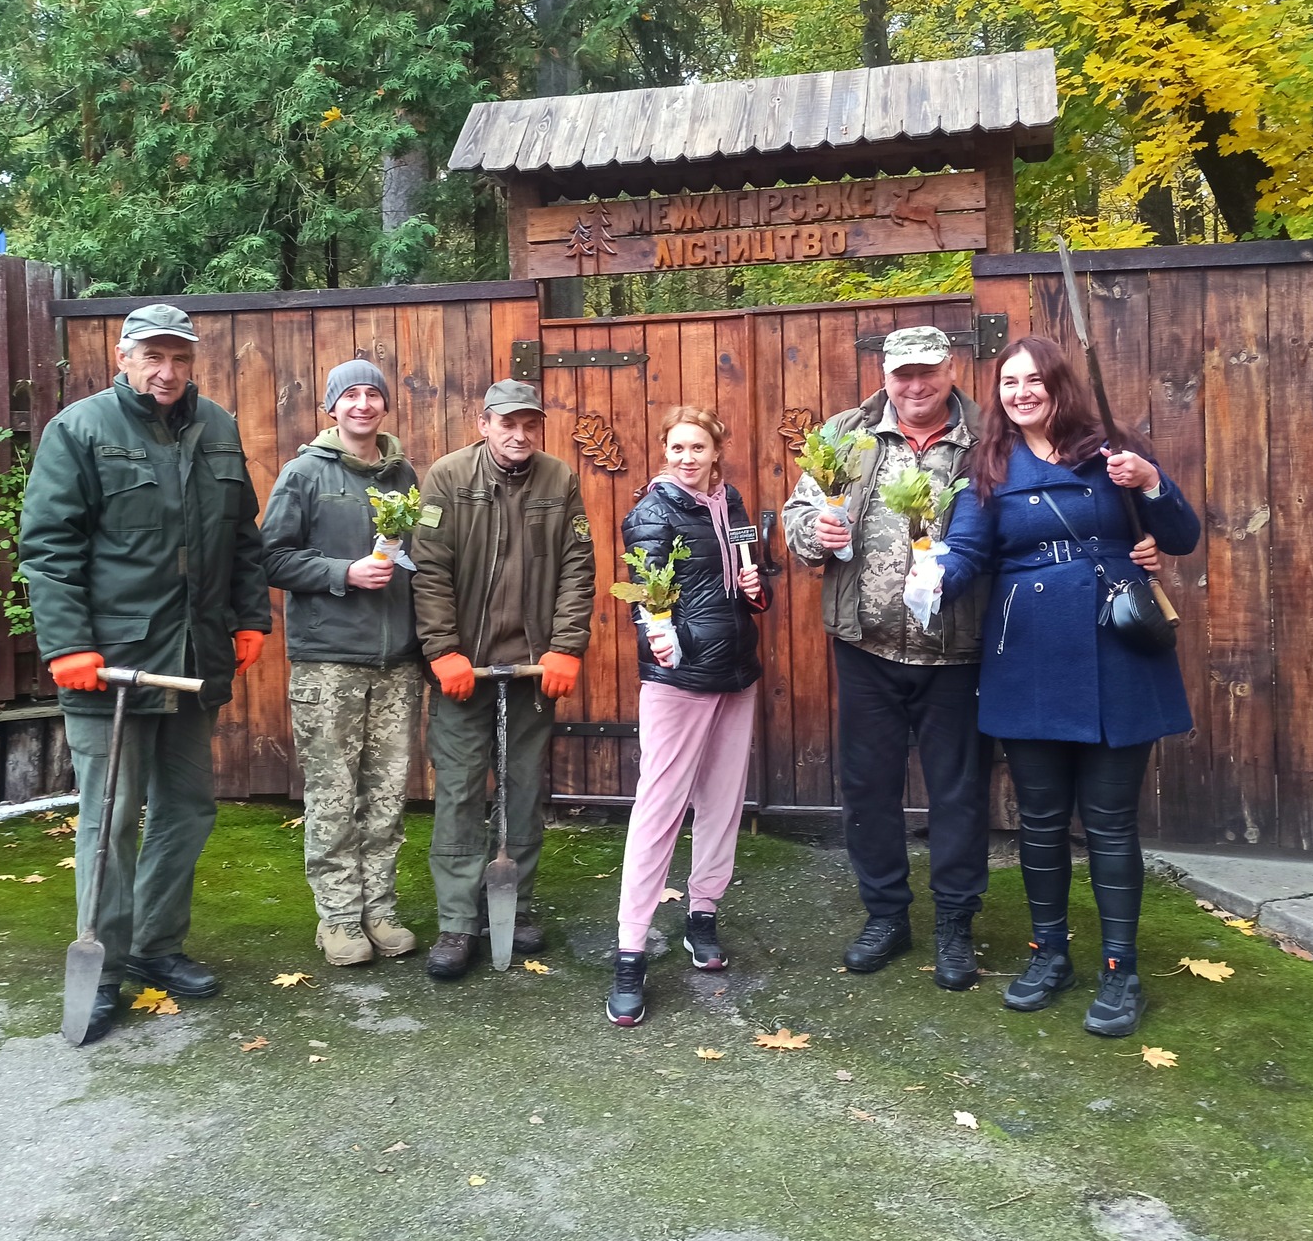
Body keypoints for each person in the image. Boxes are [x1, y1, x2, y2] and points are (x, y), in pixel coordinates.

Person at [20, 302, 271, 1044]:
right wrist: (68, 645)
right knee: (111, 816)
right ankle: (102, 969)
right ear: (123, 357)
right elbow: (49, 548)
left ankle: (156, 946)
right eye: (153, 356)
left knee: (186, 808)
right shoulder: (80, 429)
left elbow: (241, 535)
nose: (167, 371)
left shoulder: (216, 427)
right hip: (112, 664)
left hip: (193, 656)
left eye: (180, 357)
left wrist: (250, 616)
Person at [938, 334, 1200, 1038]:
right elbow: (968, 550)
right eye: (1009, 382)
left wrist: (1150, 481)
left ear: (1060, 384)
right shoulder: (989, 462)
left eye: (1034, 380)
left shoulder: (1111, 448)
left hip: (1117, 650)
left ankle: (1120, 971)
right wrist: (929, 584)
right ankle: (1048, 953)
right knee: (1042, 820)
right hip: (1027, 655)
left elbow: (1179, 537)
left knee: (1110, 822)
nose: (1021, 393)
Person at [780, 325, 992, 991]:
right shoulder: (847, 433)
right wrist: (812, 531)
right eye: (903, 374)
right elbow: (795, 513)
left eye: (928, 371)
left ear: (950, 368)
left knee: (958, 796)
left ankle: (955, 925)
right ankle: (886, 916)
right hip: (865, 647)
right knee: (868, 789)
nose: (915, 385)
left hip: (957, 651)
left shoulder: (989, 439)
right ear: (885, 375)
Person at [412, 380, 597, 981]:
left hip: (531, 669)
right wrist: (442, 650)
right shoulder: (447, 478)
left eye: (529, 424)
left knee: (522, 790)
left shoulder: (558, 479)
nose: (519, 435)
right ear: (484, 424)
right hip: (464, 671)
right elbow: (430, 571)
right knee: (461, 790)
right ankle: (458, 921)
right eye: (507, 424)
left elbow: (577, 569)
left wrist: (566, 648)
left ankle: (513, 905)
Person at [605, 408, 769, 1027]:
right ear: (665, 451)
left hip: (737, 675)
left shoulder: (731, 503)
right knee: (660, 811)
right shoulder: (653, 513)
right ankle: (630, 951)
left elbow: (751, 587)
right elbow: (648, 595)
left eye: (698, 447)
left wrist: (756, 586)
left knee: (722, 804)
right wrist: (661, 636)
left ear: (716, 451)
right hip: (680, 681)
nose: (687, 458)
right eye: (677, 447)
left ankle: (703, 914)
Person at [261, 359, 422, 968]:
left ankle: (379, 910)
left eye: (372, 394)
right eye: (349, 395)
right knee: (333, 796)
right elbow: (272, 558)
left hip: (397, 663)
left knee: (386, 797)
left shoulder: (403, 474)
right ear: (331, 408)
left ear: (384, 405)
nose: (362, 404)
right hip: (329, 661)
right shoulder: (304, 473)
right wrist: (342, 572)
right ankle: (338, 917)